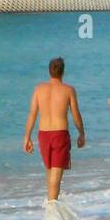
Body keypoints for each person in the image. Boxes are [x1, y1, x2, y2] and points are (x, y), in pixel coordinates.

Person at [23, 57, 86, 207]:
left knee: (50, 174)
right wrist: (81, 133)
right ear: (63, 72)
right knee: (56, 177)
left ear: (49, 71)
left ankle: (51, 206)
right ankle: (52, 209)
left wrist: (27, 137)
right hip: (60, 134)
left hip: (43, 134)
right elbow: (76, 114)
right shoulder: (68, 90)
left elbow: (32, 114)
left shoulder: (39, 89)